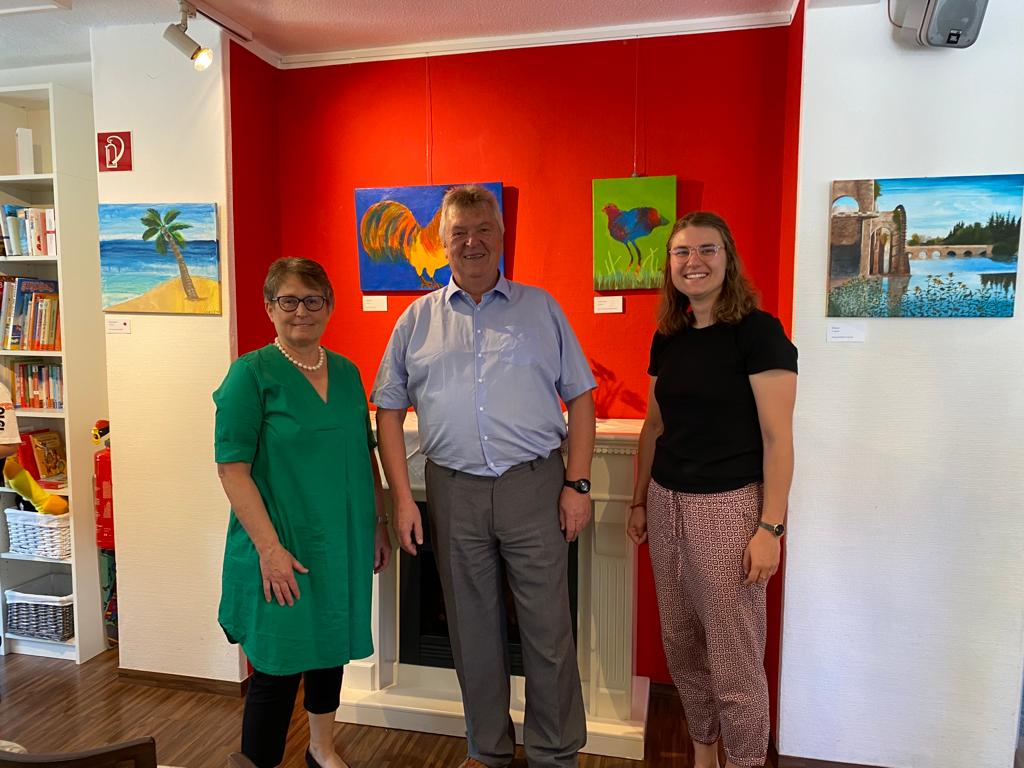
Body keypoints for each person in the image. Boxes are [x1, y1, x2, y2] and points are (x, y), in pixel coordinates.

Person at [371, 185, 595, 768]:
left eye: (483, 229)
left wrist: (577, 484)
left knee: (548, 628)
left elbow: (581, 397)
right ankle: (488, 751)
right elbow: (387, 411)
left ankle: (555, 754)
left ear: (501, 235)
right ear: (443, 242)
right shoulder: (415, 321)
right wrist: (402, 500)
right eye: (459, 232)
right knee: (471, 631)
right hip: (453, 491)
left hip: (534, 487)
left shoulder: (541, 308)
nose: (472, 242)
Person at [627, 212, 797, 768]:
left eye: (707, 249)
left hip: (730, 508)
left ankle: (744, 761)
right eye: (681, 252)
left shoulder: (758, 333)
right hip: (667, 503)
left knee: (735, 655)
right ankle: (703, 756)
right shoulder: (669, 336)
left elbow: (777, 438)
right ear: (669, 265)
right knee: (682, 644)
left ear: (728, 258)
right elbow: (654, 425)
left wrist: (771, 528)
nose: (693, 262)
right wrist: (638, 500)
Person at [214, 257, 392, 768]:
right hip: (281, 541)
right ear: (269, 307)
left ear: (329, 306)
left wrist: (378, 523)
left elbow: (365, 454)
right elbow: (232, 469)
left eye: (313, 300)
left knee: (328, 648)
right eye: (288, 300)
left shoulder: (348, 373)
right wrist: (269, 550)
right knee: (277, 665)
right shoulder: (250, 375)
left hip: (340, 541)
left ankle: (321, 747)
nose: (301, 312)